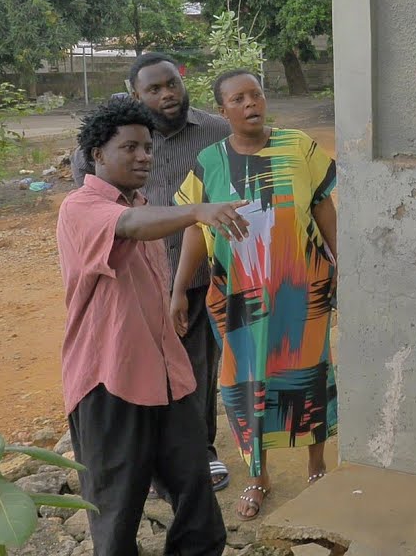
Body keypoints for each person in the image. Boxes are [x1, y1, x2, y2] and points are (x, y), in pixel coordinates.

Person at [56, 97, 250, 556]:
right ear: (98, 154)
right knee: (116, 512)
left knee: (196, 496)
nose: (144, 156)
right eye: (130, 148)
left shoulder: (143, 203)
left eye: (147, 147)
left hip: (166, 376)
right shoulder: (81, 207)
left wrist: (177, 295)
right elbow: (129, 225)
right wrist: (198, 211)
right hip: (109, 382)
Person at [172, 69, 339, 521]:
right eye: (238, 99)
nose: (251, 104)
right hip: (237, 296)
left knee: (310, 374)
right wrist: (179, 289)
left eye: (256, 94)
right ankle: (257, 475)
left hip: (302, 289)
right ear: (222, 110)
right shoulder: (209, 162)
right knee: (244, 382)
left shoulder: (298, 147)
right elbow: (194, 227)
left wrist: (340, 261)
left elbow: (322, 204)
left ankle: (317, 467)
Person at [72, 52, 234, 492]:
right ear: (135, 94)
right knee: (139, 370)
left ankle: (200, 453)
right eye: (154, 89)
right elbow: (94, 200)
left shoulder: (215, 131)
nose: (167, 95)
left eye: (172, 84)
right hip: (136, 280)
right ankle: (145, 463)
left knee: (196, 369)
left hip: (196, 274)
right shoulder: (113, 138)